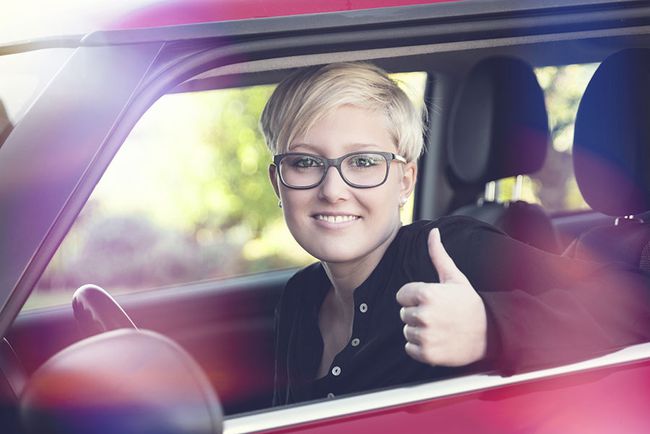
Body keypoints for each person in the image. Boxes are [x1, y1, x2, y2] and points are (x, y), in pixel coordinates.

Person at [260, 62, 650, 406]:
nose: (333, 189)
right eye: (305, 162)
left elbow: (637, 305)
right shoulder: (299, 296)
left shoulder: (451, 250)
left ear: (405, 181)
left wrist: (489, 327)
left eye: (364, 161)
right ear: (278, 183)